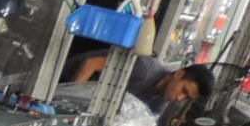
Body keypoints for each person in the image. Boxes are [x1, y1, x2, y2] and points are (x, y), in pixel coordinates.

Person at [65, 51, 214, 116]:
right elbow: (91, 63)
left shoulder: (161, 101)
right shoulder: (144, 69)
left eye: (186, 98)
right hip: (64, 78)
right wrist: (68, 101)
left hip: (87, 102)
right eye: (184, 91)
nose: (180, 98)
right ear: (179, 74)